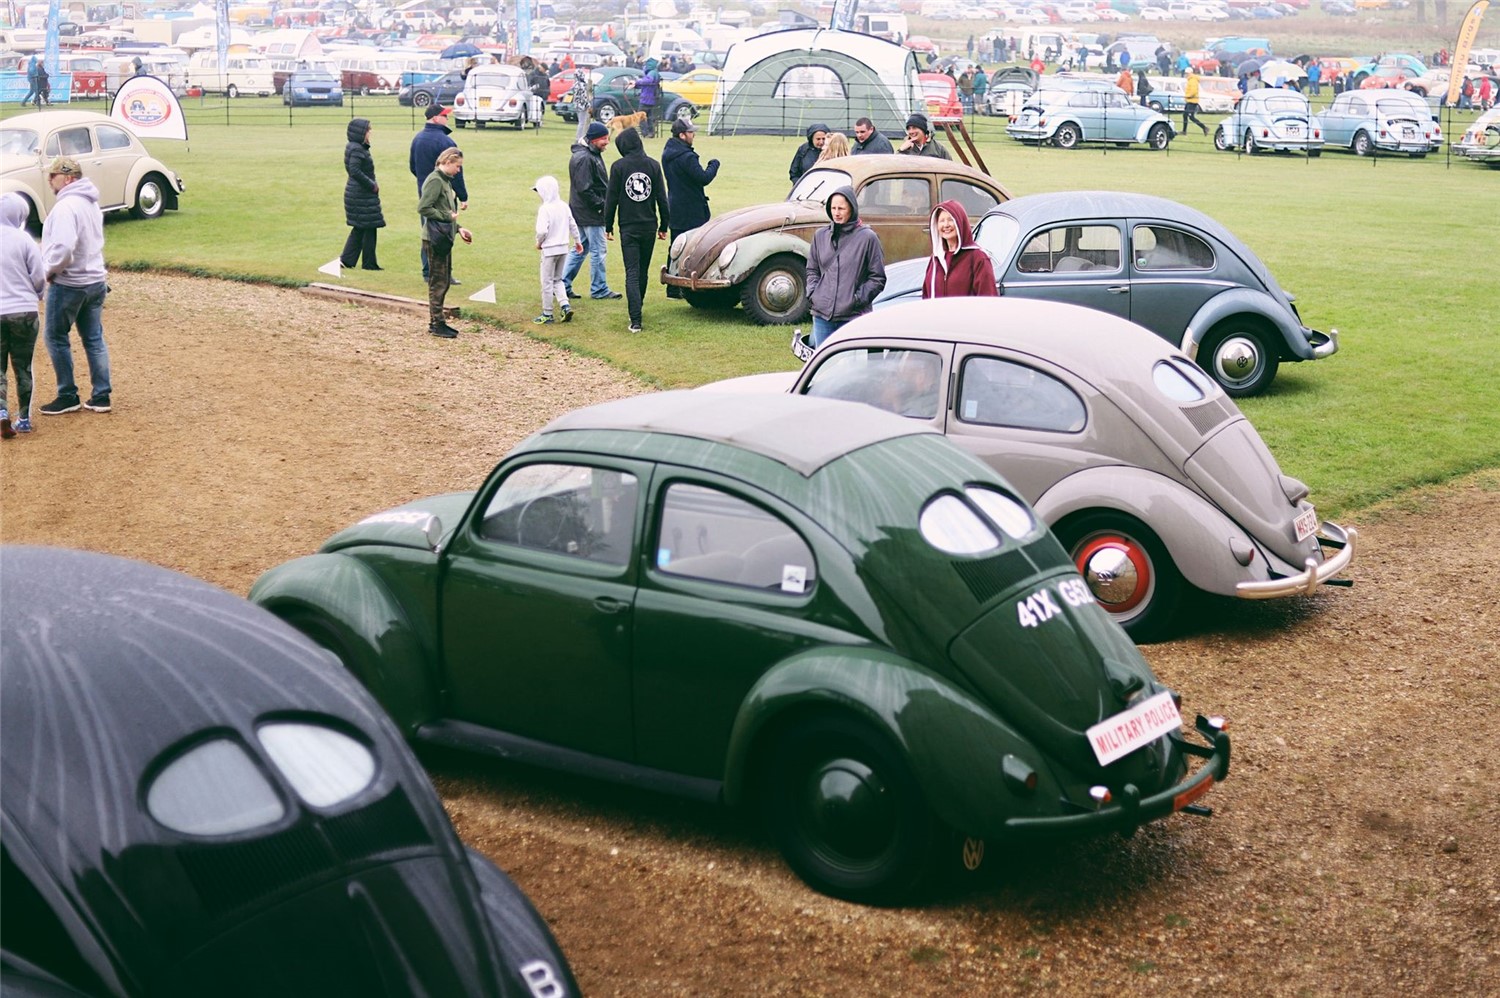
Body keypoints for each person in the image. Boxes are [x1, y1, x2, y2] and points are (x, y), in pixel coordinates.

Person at [37, 157, 110, 416]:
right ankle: (101, 395)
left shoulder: (66, 206)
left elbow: (64, 247)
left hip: (70, 283)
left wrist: (47, 271)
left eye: (53, 175)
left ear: (68, 178)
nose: (49, 180)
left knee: (56, 337)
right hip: (95, 280)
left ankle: (67, 394)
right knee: (93, 338)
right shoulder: (91, 202)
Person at [603, 127, 668, 334]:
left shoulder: (618, 167)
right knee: (643, 272)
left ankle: (635, 319)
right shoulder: (654, 166)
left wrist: (608, 226)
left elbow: (611, 198)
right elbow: (662, 199)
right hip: (649, 226)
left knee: (632, 271)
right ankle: (637, 309)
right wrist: (664, 226)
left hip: (628, 227)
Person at [805, 187, 884, 347]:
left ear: (851, 209)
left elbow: (877, 278)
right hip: (822, 316)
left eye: (841, 208)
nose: (836, 213)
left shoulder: (868, 238)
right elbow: (812, 270)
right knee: (824, 367)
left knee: (850, 367)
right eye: (833, 208)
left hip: (853, 317)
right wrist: (814, 294)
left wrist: (855, 300)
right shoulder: (820, 235)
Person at [0, 193, 45, 438]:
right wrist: (38, 293)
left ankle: (1, 412)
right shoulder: (24, 240)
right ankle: (24, 418)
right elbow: (39, 275)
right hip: (24, 311)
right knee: (23, 367)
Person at [660, 118, 719, 299]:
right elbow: (703, 177)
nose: (693, 135)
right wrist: (714, 164)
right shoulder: (687, 157)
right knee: (695, 247)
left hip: (675, 206)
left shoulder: (667, 153)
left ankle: (672, 287)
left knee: (676, 247)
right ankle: (692, 284)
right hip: (692, 208)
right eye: (691, 132)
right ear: (682, 135)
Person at [409, 104, 467, 283]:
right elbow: (457, 173)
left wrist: (424, 185)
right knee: (444, 234)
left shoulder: (417, 139)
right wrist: (463, 196)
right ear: (435, 118)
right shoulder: (446, 142)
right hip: (443, 197)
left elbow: (413, 167)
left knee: (428, 233)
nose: (447, 119)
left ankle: (428, 272)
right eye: (444, 116)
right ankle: (444, 274)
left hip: (424, 194)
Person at [418, 148, 472, 339]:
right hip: (434, 238)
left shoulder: (445, 181)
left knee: (443, 280)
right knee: (438, 282)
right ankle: (436, 323)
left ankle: (439, 320)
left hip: (444, 236)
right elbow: (423, 207)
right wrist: (446, 217)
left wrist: (459, 228)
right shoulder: (435, 180)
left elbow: (447, 211)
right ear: (448, 162)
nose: (459, 171)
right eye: (457, 166)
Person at [564, 122, 620, 301]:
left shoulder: (588, 154)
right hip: (590, 213)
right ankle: (599, 289)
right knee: (598, 251)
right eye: (604, 139)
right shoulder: (586, 158)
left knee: (580, 248)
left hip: (581, 211)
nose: (607, 142)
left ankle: (563, 283)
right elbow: (584, 189)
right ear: (594, 139)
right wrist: (603, 205)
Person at [922, 200, 996, 299]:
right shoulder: (936, 259)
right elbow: (926, 296)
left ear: (960, 222)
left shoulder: (978, 258)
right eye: (942, 221)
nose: (946, 225)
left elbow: (988, 299)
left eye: (950, 219)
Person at [532, 175, 580, 324]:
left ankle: (547, 313)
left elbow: (542, 231)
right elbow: (572, 224)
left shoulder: (545, 209)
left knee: (546, 282)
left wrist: (539, 242)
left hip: (549, 250)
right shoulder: (564, 206)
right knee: (558, 280)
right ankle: (565, 305)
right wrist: (577, 241)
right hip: (563, 248)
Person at [339, 117, 384, 271]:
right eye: (368, 130)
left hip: (358, 193)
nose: (370, 132)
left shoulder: (355, 147)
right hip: (360, 194)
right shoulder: (357, 149)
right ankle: (366, 264)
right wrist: (372, 185)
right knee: (367, 227)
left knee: (363, 228)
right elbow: (355, 170)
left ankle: (351, 261)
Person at [636, 58, 661, 137]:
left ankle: (645, 133)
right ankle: (651, 132)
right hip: (651, 99)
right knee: (649, 117)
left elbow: (648, 81)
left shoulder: (651, 73)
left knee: (640, 117)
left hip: (646, 99)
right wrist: (636, 84)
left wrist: (637, 81)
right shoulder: (655, 73)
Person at [569, 68, 595, 143]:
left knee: (581, 122)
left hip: (577, 105)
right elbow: (584, 96)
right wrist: (588, 104)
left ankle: (579, 137)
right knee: (582, 122)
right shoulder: (583, 85)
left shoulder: (575, 84)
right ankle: (580, 137)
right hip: (583, 106)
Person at [1182, 68, 1209, 135]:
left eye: (1186, 73)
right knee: (1185, 115)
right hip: (1189, 101)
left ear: (1190, 73)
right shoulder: (1190, 80)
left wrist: (1187, 96)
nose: (1185, 74)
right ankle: (1184, 131)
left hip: (1192, 101)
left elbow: (1193, 91)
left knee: (1191, 117)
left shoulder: (1193, 80)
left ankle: (1204, 127)